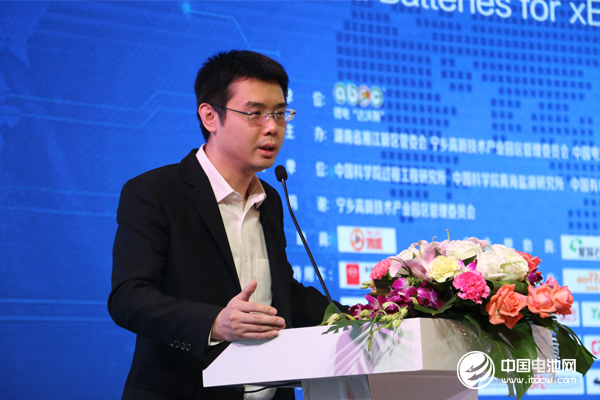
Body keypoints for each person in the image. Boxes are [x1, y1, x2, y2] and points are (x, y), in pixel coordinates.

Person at [108, 50, 341, 400]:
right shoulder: (156, 192)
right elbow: (129, 298)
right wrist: (215, 323)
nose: (272, 127)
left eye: (280, 113)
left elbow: (281, 292)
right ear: (210, 117)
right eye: (255, 113)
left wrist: (363, 319)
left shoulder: (270, 200)